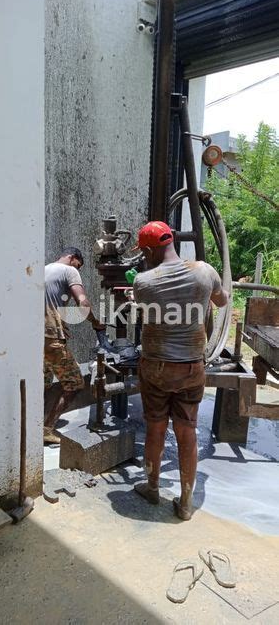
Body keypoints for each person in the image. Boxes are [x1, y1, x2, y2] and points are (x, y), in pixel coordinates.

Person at [132, 221, 229, 520]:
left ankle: (152, 487)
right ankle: (186, 503)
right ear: (171, 240)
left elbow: (146, 311)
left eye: (144, 252)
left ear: (149, 250)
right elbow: (223, 299)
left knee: (156, 427)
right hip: (191, 367)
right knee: (187, 431)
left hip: (156, 368)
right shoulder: (204, 271)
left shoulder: (143, 282)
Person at [44, 247, 104, 443]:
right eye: (78, 265)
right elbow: (82, 302)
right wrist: (95, 321)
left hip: (33, 339)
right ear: (72, 258)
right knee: (75, 383)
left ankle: (27, 426)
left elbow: (46, 303)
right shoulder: (70, 271)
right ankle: (47, 429)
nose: (77, 268)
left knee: (41, 385)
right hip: (50, 340)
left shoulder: (44, 269)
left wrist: (60, 322)